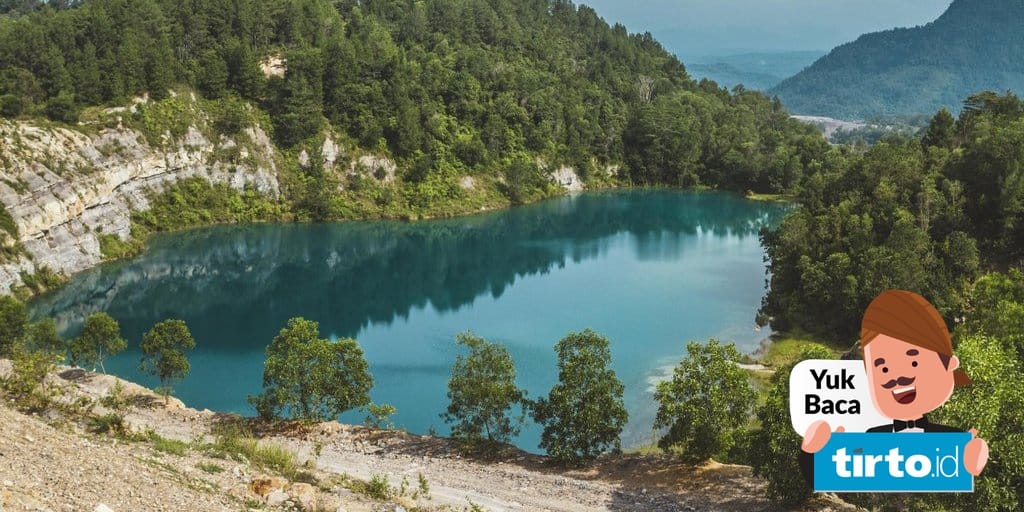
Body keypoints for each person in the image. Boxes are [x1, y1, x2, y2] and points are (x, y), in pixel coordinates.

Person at [798, 290, 989, 486]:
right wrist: (813, 454)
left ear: (949, 364)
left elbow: (963, 464)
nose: (897, 378)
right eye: (883, 368)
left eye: (913, 362)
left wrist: (971, 458)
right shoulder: (873, 435)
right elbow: (833, 471)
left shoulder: (951, 441)